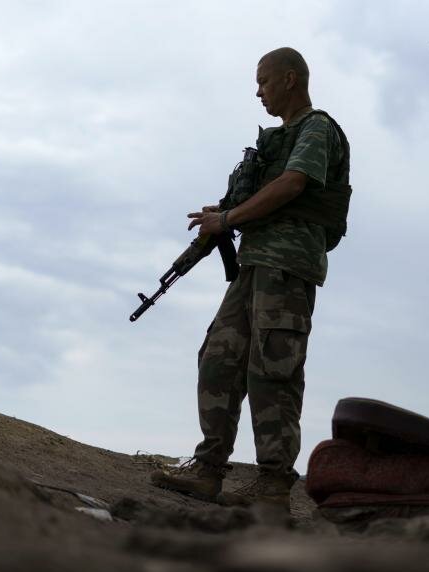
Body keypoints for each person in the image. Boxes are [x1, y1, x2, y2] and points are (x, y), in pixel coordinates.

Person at [151, 47, 351, 510]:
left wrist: (229, 219)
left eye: (262, 81)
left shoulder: (315, 127)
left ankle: (273, 486)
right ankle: (208, 469)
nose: (257, 91)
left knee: (273, 368)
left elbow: (293, 184)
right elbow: (271, 188)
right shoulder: (280, 139)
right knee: (219, 357)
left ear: (288, 78)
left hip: (288, 266)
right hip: (254, 265)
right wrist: (224, 214)